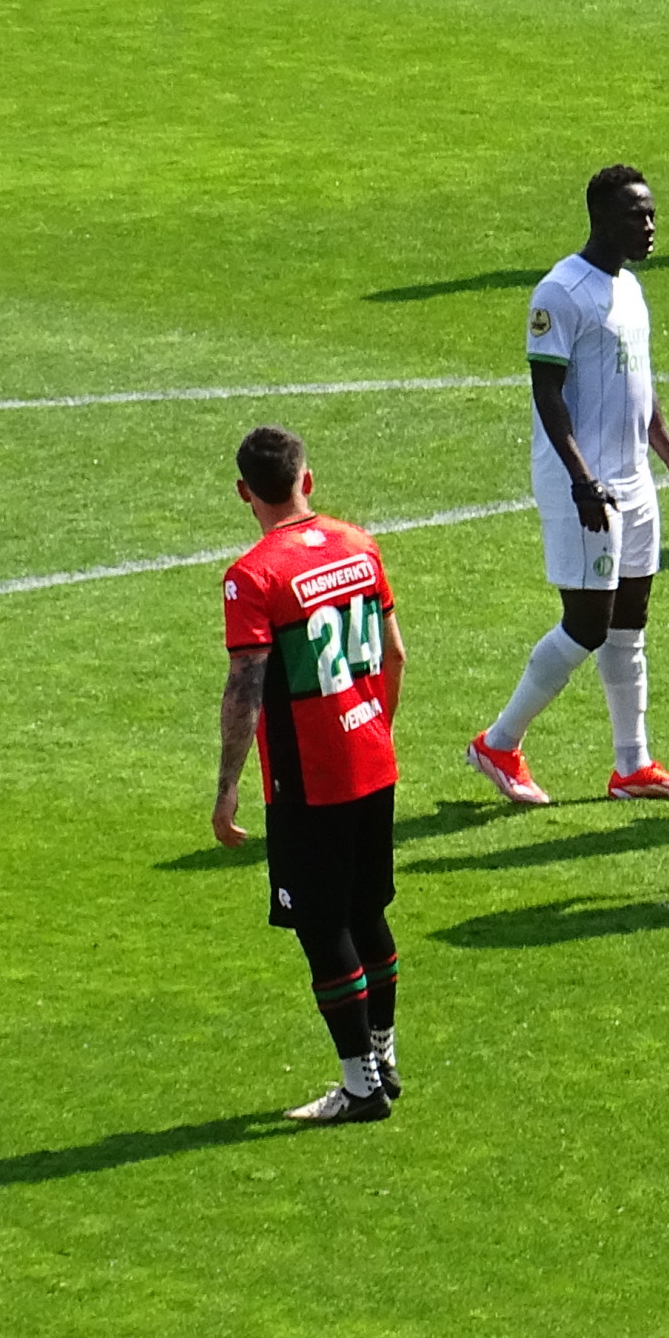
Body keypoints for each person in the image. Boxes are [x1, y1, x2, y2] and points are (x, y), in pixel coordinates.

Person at [466, 166, 669, 807]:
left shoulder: (629, 288)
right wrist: (582, 479)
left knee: (630, 620)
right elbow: (546, 390)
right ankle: (498, 741)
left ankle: (632, 765)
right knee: (587, 622)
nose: (651, 226)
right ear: (601, 219)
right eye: (638, 216)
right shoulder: (560, 291)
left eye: (653, 214)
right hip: (582, 483)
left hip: (632, 481)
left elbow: (641, 384)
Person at [215, 427, 406, 1125]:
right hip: (373, 755)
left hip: (309, 778)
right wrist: (376, 729)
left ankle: (360, 1086)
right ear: (308, 479)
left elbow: (245, 685)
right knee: (368, 912)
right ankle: (383, 1059)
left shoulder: (253, 576)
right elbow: (395, 655)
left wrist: (227, 786)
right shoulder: (361, 544)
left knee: (322, 927)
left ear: (245, 493)